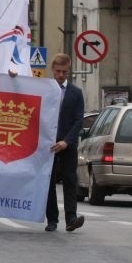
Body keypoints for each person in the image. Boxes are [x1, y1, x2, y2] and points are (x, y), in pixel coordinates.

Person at [45, 53, 86, 232]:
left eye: (64, 72)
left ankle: (71, 218)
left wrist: (67, 141)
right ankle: (52, 219)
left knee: (70, 180)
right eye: (58, 71)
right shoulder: (44, 89)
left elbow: (79, 120)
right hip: (48, 143)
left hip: (68, 144)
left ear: (69, 71)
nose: (61, 75)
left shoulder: (76, 93)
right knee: (48, 181)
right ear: (52, 70)